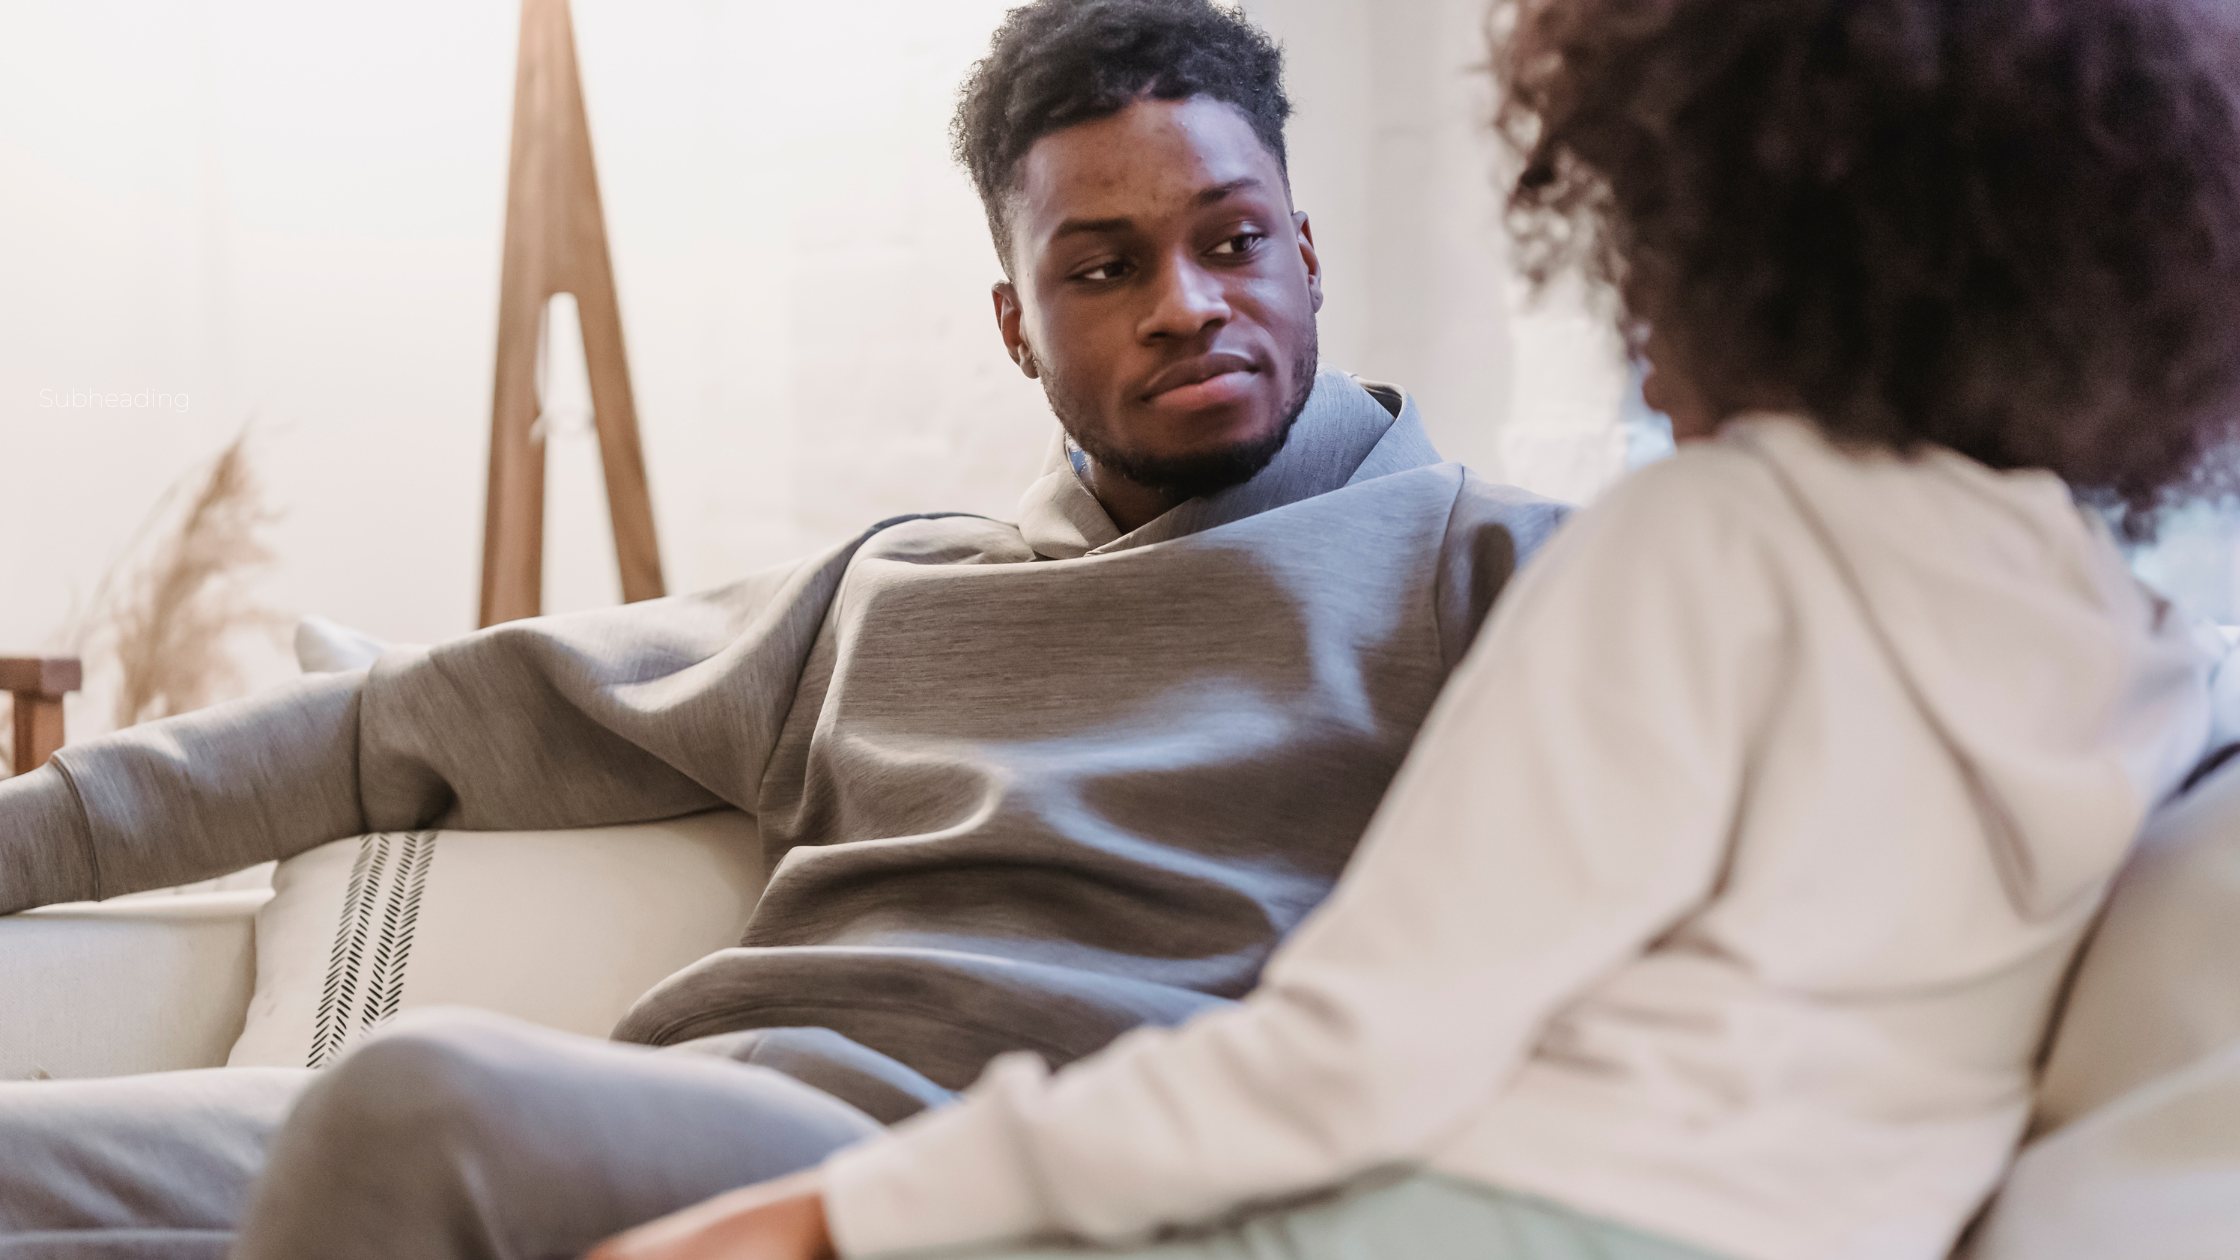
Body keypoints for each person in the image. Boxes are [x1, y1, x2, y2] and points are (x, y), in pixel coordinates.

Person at [569, 0, 2240, 1257]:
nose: (1628, 294)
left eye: (1637, 231)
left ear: (1742, 234)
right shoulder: (2135, 648)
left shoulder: (1712, 539)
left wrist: (830, 1219)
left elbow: (1353, 1057)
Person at [0, 2, 1566, 1257]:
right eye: (1103, 268)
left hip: (974, 1187)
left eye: (1232, 242)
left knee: (415, 1105)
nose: (1186, 304)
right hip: (682, 1128)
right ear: (1016, 327)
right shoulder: (893, 589)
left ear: (1306, 251)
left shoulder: (1496, 573)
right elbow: (388, 729)